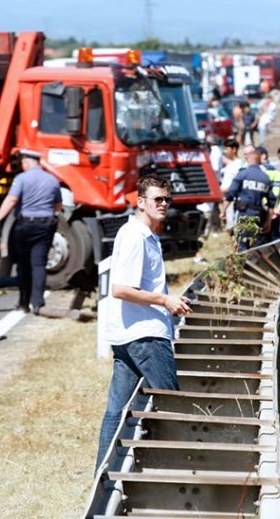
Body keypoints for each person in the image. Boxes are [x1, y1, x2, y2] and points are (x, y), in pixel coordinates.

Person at [95, 175, 192, 471]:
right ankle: (172, 472)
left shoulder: (143, 234)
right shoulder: (136, 237)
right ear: (140, 202)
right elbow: (121, 289)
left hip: (129, 335)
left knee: (118, 409)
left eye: (167, 199)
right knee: (170, 406)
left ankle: (104, 473)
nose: (163, 204)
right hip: (145, 337)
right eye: (157, 199)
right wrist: (165, 301)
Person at [0, 150, 61, 315]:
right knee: (39, 264)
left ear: (27, 163)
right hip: (45, 225)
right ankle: (37, 303)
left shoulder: (21, 178)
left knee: (23, 265)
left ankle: (23, 303)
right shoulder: (52, 180)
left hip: (25, 225)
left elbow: (12, 199)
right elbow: (58, 205)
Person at [220, 145, 276, 251]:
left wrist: (223, 211)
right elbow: (271, 203)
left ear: (249, 160)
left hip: (244, 214)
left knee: (242, 244)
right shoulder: (266, 178)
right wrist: (268, 222)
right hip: (259, 216)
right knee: (258, 245)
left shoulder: (242, 174)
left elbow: (230, 194)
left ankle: (243, 265)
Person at [219, 137, 244, 233]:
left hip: (232, 201)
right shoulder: (231, 165)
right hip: (227, 200)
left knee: (233, 229)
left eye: (227, 149)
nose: (225, 152)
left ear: (234, 149)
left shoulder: (238, 165)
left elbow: (238, 185)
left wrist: (225, 190)